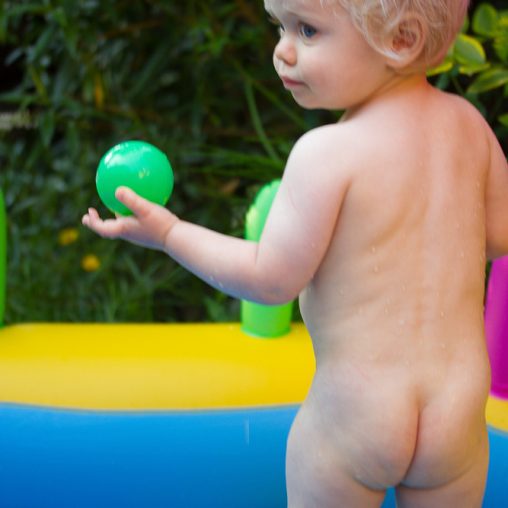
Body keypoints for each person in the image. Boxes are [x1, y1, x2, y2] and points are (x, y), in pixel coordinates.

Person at [82, 0, 508, 505]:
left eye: (307, 30)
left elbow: (269, 280)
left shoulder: (327, 153)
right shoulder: (470, 127)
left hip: (357, 413)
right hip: (457, 413)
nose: (282, 51)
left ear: (401, 40)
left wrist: (170, 234)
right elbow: (499, 237)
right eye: (280, 26)